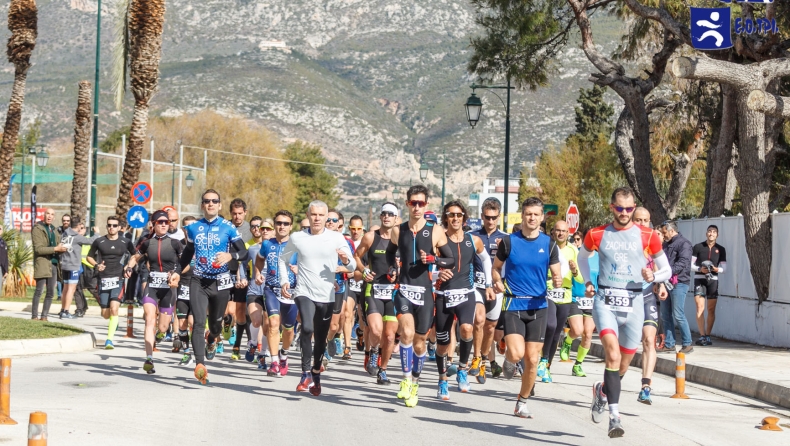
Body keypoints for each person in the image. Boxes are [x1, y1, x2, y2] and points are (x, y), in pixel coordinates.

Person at [578, 187, 670, 438]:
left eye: (629, 209)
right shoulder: (597, 233)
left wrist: (654, 275)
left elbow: (667, 269)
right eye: (620, 208)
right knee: (612, 353)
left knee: (623, 365)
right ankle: (614, 417)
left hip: (635, 302)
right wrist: (588, 281)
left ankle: (603, 391)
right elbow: (582, 257)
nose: (625, 213)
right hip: (605, 299)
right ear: (612, 207)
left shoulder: (649, 236)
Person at [492, 197, 562, 418]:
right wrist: (496, 281)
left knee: (532, 359)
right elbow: (496, 269)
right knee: (516, 353)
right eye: (528, 213)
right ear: (522, 216)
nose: (532, 217)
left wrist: (558, 279)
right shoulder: (509, 243)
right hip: (514, 302)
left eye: (536, 214)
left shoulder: (549, 244)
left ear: (542, 218)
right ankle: (509, 358)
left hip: (539, 305)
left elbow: (556, 272)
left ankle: (521, 402)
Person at [278, 200, 356, 396]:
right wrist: (284, 281)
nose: (318, 218)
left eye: (322, 215)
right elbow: (283, 259)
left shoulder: (336, 238)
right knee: (307, 327)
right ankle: (305, 372)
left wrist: (346, 261)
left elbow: (353, 265)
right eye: (314, 215)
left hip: (327, 294)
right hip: (303, 291)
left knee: (320, 337)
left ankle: (316, 372)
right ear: (308, 215)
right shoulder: (297, 237)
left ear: (326, 217)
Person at [387, 185, 455, 408]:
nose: (417, 207)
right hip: (404, 290)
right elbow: (390, 254)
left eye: (421, 203)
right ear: (407, 204)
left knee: (419, 344)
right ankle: (405, 380)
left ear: (426, 204)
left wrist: (433, 260)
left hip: (425, 293)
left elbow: (450, 260)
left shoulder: (435, 231)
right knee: (405, 332)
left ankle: (415, 381)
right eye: (413, 203)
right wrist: (392, 269)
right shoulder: (398, 230)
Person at [180, 190, 249, 385]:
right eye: (206, 201)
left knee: (216, 324)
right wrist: (178, 271)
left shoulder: (228, 227)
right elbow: (188, 252)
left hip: (221, 282)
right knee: (198, 322)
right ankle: (200, 365)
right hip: (199, 280)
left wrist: (231, 256)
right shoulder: (193, 228)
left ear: (219, 205)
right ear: (202, 205)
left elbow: (243, 252)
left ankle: (212, 339)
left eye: (214, 201)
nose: (210, 204)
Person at [434, 200, 494, 400]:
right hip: (444, 296)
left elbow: (486, 259)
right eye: (451, 215)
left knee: (467, 328)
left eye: (459, 215)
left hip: (466, 293)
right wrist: (436, 276)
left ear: (464, 218)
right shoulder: (439, 240)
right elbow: (427, 268)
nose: (455, 218)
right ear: (446, 218)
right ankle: (442, 380)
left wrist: (488, 284)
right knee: (442, 344)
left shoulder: (473, 240)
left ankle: (462, 369)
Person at [125, 210, 183, 374]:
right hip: (152, 286)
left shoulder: (175, 243)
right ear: (153, 224)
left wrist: (176, 273)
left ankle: (161, 333)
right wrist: (129, 266)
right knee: (149, 319)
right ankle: (149, 359)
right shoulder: (146, 243)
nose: (164, 224)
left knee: (163, 328)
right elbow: (135, 257)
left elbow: (185, 262)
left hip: (168, 289)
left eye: (166, 222)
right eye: (160, 222)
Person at [354, 203, 399, 385]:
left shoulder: (401, 240)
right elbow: (356, 256)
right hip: (373, 289)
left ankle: (383, 370)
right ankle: (373, 351)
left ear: (396, 219)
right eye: (384, 214)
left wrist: (398, 271)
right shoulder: (371, 237)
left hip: (393, 293)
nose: (386, 216)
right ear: (380, 217)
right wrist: (364, 270)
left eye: (391, 214)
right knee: (375, 329)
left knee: (389, 336)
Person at [537, 220, 583, 384]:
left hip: (565, 295)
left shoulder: (573, 250)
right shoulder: (546, 246)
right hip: (547, 292)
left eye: (564, 231)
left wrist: (574, 270)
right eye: (558, 230)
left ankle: (546, 366)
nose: (561, 233)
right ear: (553, 232)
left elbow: (580, 278)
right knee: (550, 325)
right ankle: (542, 360)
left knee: (557, 331)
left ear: (568, 233)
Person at [253, 211, 298, 376]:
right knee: (272, 324)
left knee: (288, 329)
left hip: (291, 292)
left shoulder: (296, 245)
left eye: (286, 223)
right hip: (271, 289)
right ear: (275, 225)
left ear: (291, 226)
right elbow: (259, 260)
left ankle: (284, 354)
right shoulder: (267, 244)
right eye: (279, 223)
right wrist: (258, 273)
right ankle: (274, 362)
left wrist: (299, 270)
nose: (282, 226)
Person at [471, 197, 508, 382]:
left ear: (499, 217)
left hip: (496, 287)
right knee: (478, 320)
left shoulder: (506, 239)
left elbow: (510, 264)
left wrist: (502, 283)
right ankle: (476, 357)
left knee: (490, 327)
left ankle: (484, 360)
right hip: (476, 286)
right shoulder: (473, 236)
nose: (490, 221)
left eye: (494, 217)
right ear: (482, 216)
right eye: (487, 217)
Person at [632, 207, 667, 405]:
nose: (642, 224)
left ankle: (646, 387)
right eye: (638, 220)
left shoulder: (653, 239)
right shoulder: (623, 240)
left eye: (646, 220)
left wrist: (660, 283)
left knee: (648, 339)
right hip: (627, 296)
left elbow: (656, 266)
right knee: (623, 347)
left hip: (646, 295)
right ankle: (609, 384)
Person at [87, 216, 137, 348]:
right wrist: (97, 265)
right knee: (105, 314)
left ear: (119, 227)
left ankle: (109, 340)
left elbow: (135, 255)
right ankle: (114, 321)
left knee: (114, 308)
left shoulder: (125, 242)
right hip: (103, 279)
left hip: (118, 279)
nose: (111, 228)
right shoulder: (99, 241)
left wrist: (129, 266)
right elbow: (89, 256)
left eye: (115, 225)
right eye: (109, 225)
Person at [658, 221, 694, 354]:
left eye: (664, 232)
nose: (663, 235)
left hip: (679, 282)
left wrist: (668, 272)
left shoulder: (684, 243)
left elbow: (683, 262)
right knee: (665, 314)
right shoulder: (666, 245)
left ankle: (687, 343)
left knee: (678, 314)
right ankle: (669, 343)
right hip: (665, 283)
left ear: (672, 230)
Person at [692, 225, 727, 346]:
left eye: (714, 232)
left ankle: (708, 335)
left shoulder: (721, 249)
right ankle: (701, 335)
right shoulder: (698, 247)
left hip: (713, 280)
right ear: (706, 233)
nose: (711, 234)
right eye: (709, 231)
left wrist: (717, 269)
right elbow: (690, 265)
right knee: (699, 307)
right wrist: (699, 269)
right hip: (699, 279)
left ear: (717, 235)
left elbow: (725, 268)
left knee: (711, 309)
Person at [57, 216, 97, 319]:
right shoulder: (77, 236)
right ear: (79, 225)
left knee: (65, 289)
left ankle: (62, 310)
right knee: (71, 289)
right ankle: (66, 311)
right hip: (73, 265)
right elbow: (91, 241)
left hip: (65, 264)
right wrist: (96, 233)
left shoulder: (64, 234)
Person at [31, 208, 68, 321]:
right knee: (39, 291)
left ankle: (44, 316)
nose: (49, 216)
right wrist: (55, 248)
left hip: (54, 264)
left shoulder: (54, 230)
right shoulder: (38, 229)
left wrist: (62, 248)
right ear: (44, 215)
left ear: (54, 217)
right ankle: (34, 316)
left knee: (51, 292)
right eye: (48, 213)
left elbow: (57, 246)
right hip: (42, 263)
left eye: (52, 214)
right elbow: (38, 249)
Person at [176, 215, 197, 366]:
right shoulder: (177, 245)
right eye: (186, 227)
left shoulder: (202, 245)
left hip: (198, 286)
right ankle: (186, 352)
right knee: (182, 322)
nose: (188, 230)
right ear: (182, 229)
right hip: (182, 286)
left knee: (193, 322)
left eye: (192, 226)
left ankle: (201, 348)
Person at [0, 225, 8, 297]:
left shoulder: (3, 243)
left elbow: (6, 257)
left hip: (1, 268)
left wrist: (6, 270)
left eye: (0, 229)